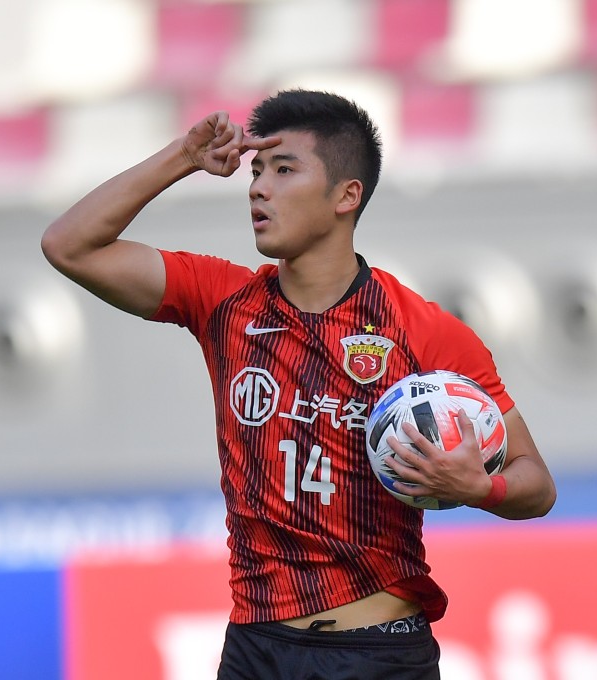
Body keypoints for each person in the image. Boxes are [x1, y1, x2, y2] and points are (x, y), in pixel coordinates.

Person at [41, 89, 556, 679]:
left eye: (284, 170)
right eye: (256, 171)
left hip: (380, 653)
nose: (258, 187)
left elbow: (536, 484)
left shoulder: (424, 332)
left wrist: (477, 488)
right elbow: (68, 244)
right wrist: (183, 157)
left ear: (346, 195)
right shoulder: (221, 300)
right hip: (256, 649)